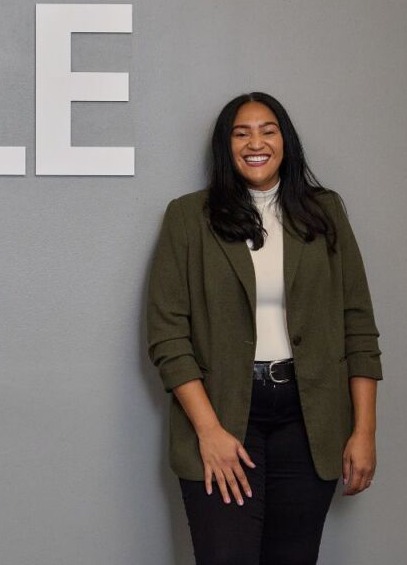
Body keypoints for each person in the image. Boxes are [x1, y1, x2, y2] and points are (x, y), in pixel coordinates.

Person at [145, 92, 383, 564]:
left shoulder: (324, 212)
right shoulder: (188, 218)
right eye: (241, 132)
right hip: (225, 418)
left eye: (268, 130)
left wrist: (364, 431)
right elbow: (168, 335)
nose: (256, 142)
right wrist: (209, 431)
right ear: (225, 146)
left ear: (285, 141)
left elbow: (358, 325)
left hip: (309, 420)